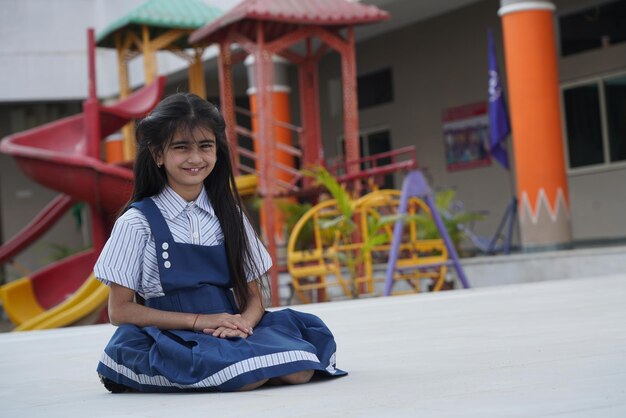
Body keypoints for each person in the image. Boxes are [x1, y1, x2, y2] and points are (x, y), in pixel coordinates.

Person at [95, 93, 346, 393]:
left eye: (205, 146)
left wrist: (241, 325)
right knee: (246, 375)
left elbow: (255, 298)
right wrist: (200, 321)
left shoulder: (230, 215)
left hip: (231, 327)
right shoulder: (137, 223)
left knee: (302, 369)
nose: (196, 158)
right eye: (181, 147)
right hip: (173, 334)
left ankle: (246, 356)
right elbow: (120, 311)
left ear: (217, 151)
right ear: (158, 154)